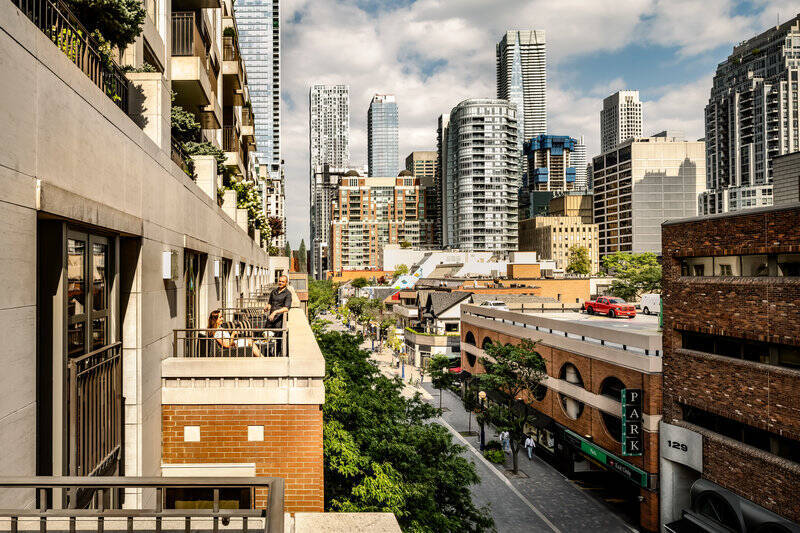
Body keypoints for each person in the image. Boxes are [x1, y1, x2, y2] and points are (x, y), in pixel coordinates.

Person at [264, 275, 292, 354]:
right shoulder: (274, 292)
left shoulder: (288, 294)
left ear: (286, 283)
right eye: (279, 281)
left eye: (283, 281)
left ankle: (276, 355)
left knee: (278, 339)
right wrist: (267, 307)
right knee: (266, 335)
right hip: (271, 318)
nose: (280, 283)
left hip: (279, 319)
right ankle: (267, 354)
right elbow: (270, 303)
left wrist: (275, 312)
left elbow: (287, 308)